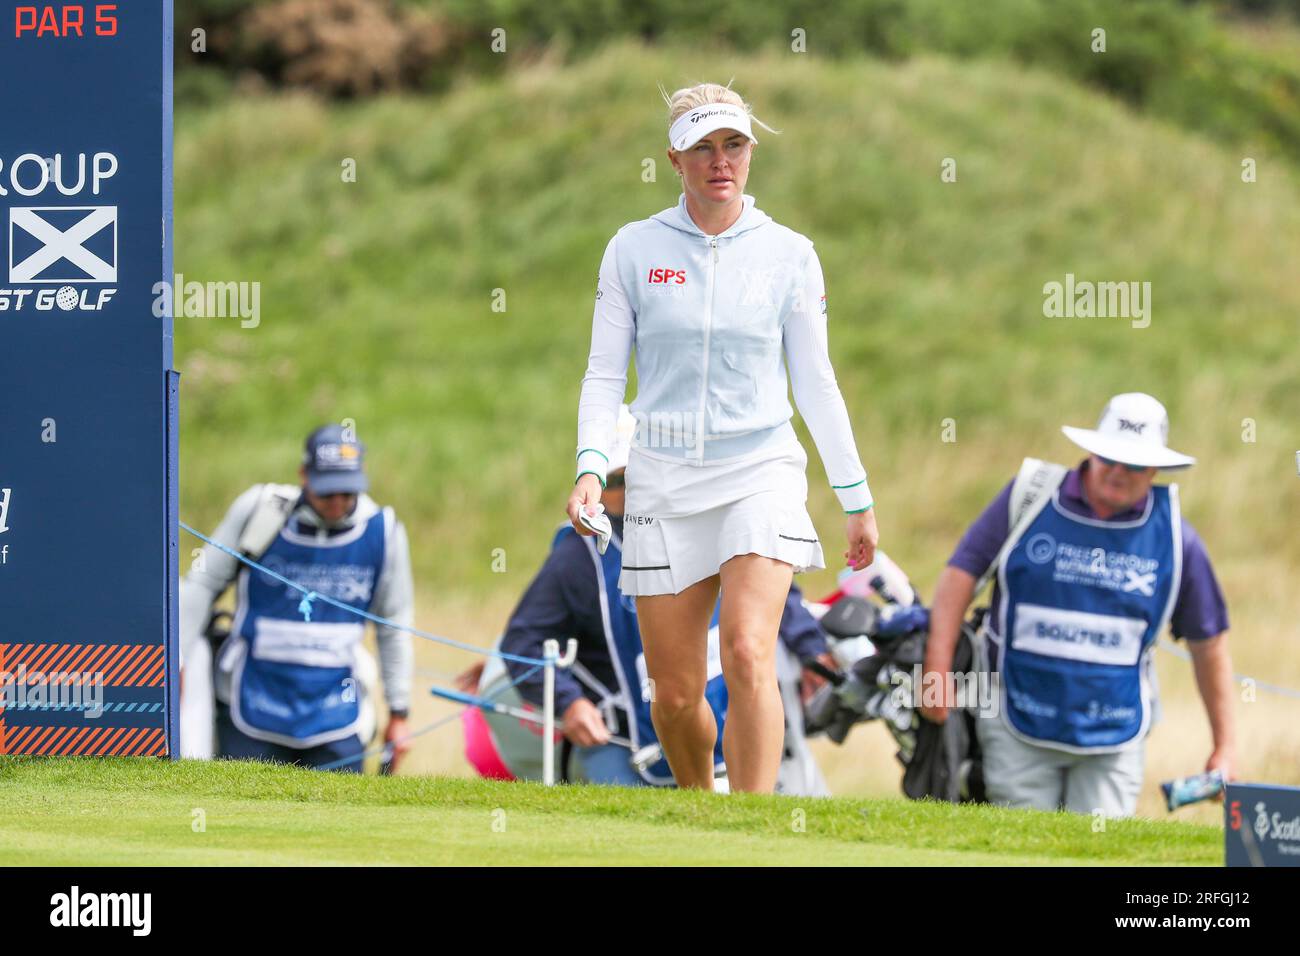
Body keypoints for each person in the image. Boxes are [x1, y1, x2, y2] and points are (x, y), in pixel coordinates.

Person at [567, 81, 879, 793]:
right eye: (702, 147)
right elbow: (603, 375)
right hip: (663, 479)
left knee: (745, 649)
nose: (720, 161)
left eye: (734, 144)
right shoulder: (633, 249)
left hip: (759, 470)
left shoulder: (791, 253)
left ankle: (755, 830)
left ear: (750, 152)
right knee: (674, 697)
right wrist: (590, 467)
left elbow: (816, 382)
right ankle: (702, 808)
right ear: (672, 159)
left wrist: (854, 495)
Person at [459, 405, 834, 794]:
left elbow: (772, 594)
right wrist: (569, 704)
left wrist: (812, 652)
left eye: (634, 476)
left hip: (725, 722)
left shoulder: (707, 520)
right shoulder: (577, 557)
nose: (629, 489)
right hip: (622, 743)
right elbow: (524, 640)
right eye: (616, 480)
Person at [922, 393, 1236, 817]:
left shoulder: (1176, 538)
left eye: (1135, 464)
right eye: (1109, 457)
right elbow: (959, 576)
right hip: (1016, 719)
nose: (1118, 472)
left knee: (1099, 853)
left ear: (1155, 469)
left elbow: (1209, 643)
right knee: (1022, 851)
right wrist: (936, 673)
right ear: (1091, 451)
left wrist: (1225, 746)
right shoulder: (1030, 496)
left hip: (1114, 736)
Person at [178, 424, 415, 773]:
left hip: (338, 716)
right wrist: (176, 660)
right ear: (304, 475)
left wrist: (399, 711)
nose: (337, 504)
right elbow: (202, 583)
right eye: (327, 493)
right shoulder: (260, 510)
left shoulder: (385, 532)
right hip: (250, 706)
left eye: (347, 494)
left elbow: (394, 624)